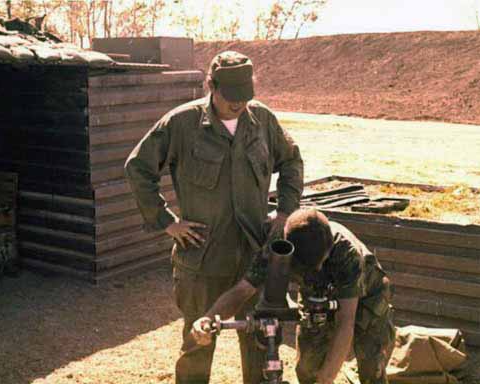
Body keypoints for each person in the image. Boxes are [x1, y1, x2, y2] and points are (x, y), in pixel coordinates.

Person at [124, 50, 304, 384]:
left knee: (262, 342)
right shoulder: (182, 123)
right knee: (198, 344)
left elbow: (291, 161)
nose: (238, 104)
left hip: (255, 256)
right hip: (202, 260)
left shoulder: (262, 120)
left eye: (245, 96)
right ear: (211, 86)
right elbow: (138, 168)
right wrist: (167, 221)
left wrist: (284, 211)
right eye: (231, 96)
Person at [192, 208, 396, 384]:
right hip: (317, 298)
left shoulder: (347, 252)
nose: (318, 268)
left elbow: (346, 321)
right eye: (311, 267)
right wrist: (208, 317)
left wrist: (326, 378)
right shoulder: (279, 248)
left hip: (367, 298)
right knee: (307, 369)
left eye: (323, 262)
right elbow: (243, 289)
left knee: (372, 369)